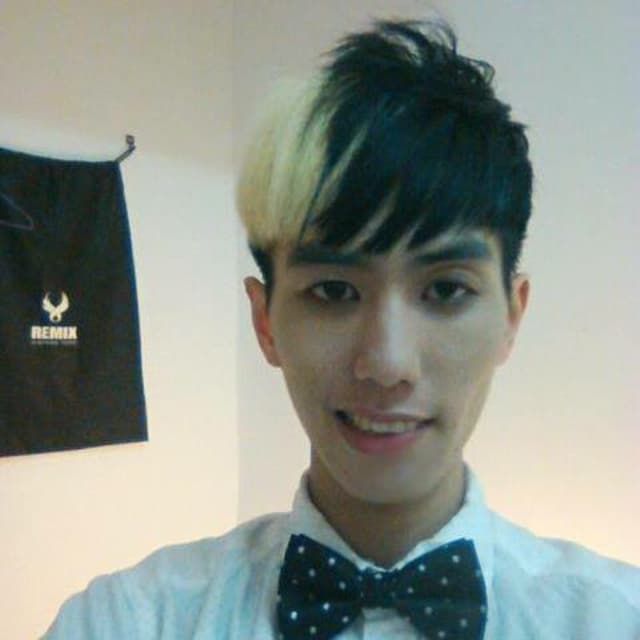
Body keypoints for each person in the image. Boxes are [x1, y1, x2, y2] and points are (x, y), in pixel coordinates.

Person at [44, 19, 639, 639]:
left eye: (445, 290)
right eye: (333, 291)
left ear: (511, 317)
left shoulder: (615, 621)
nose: (386, 363)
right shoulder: (123, 622)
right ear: (264, 321)